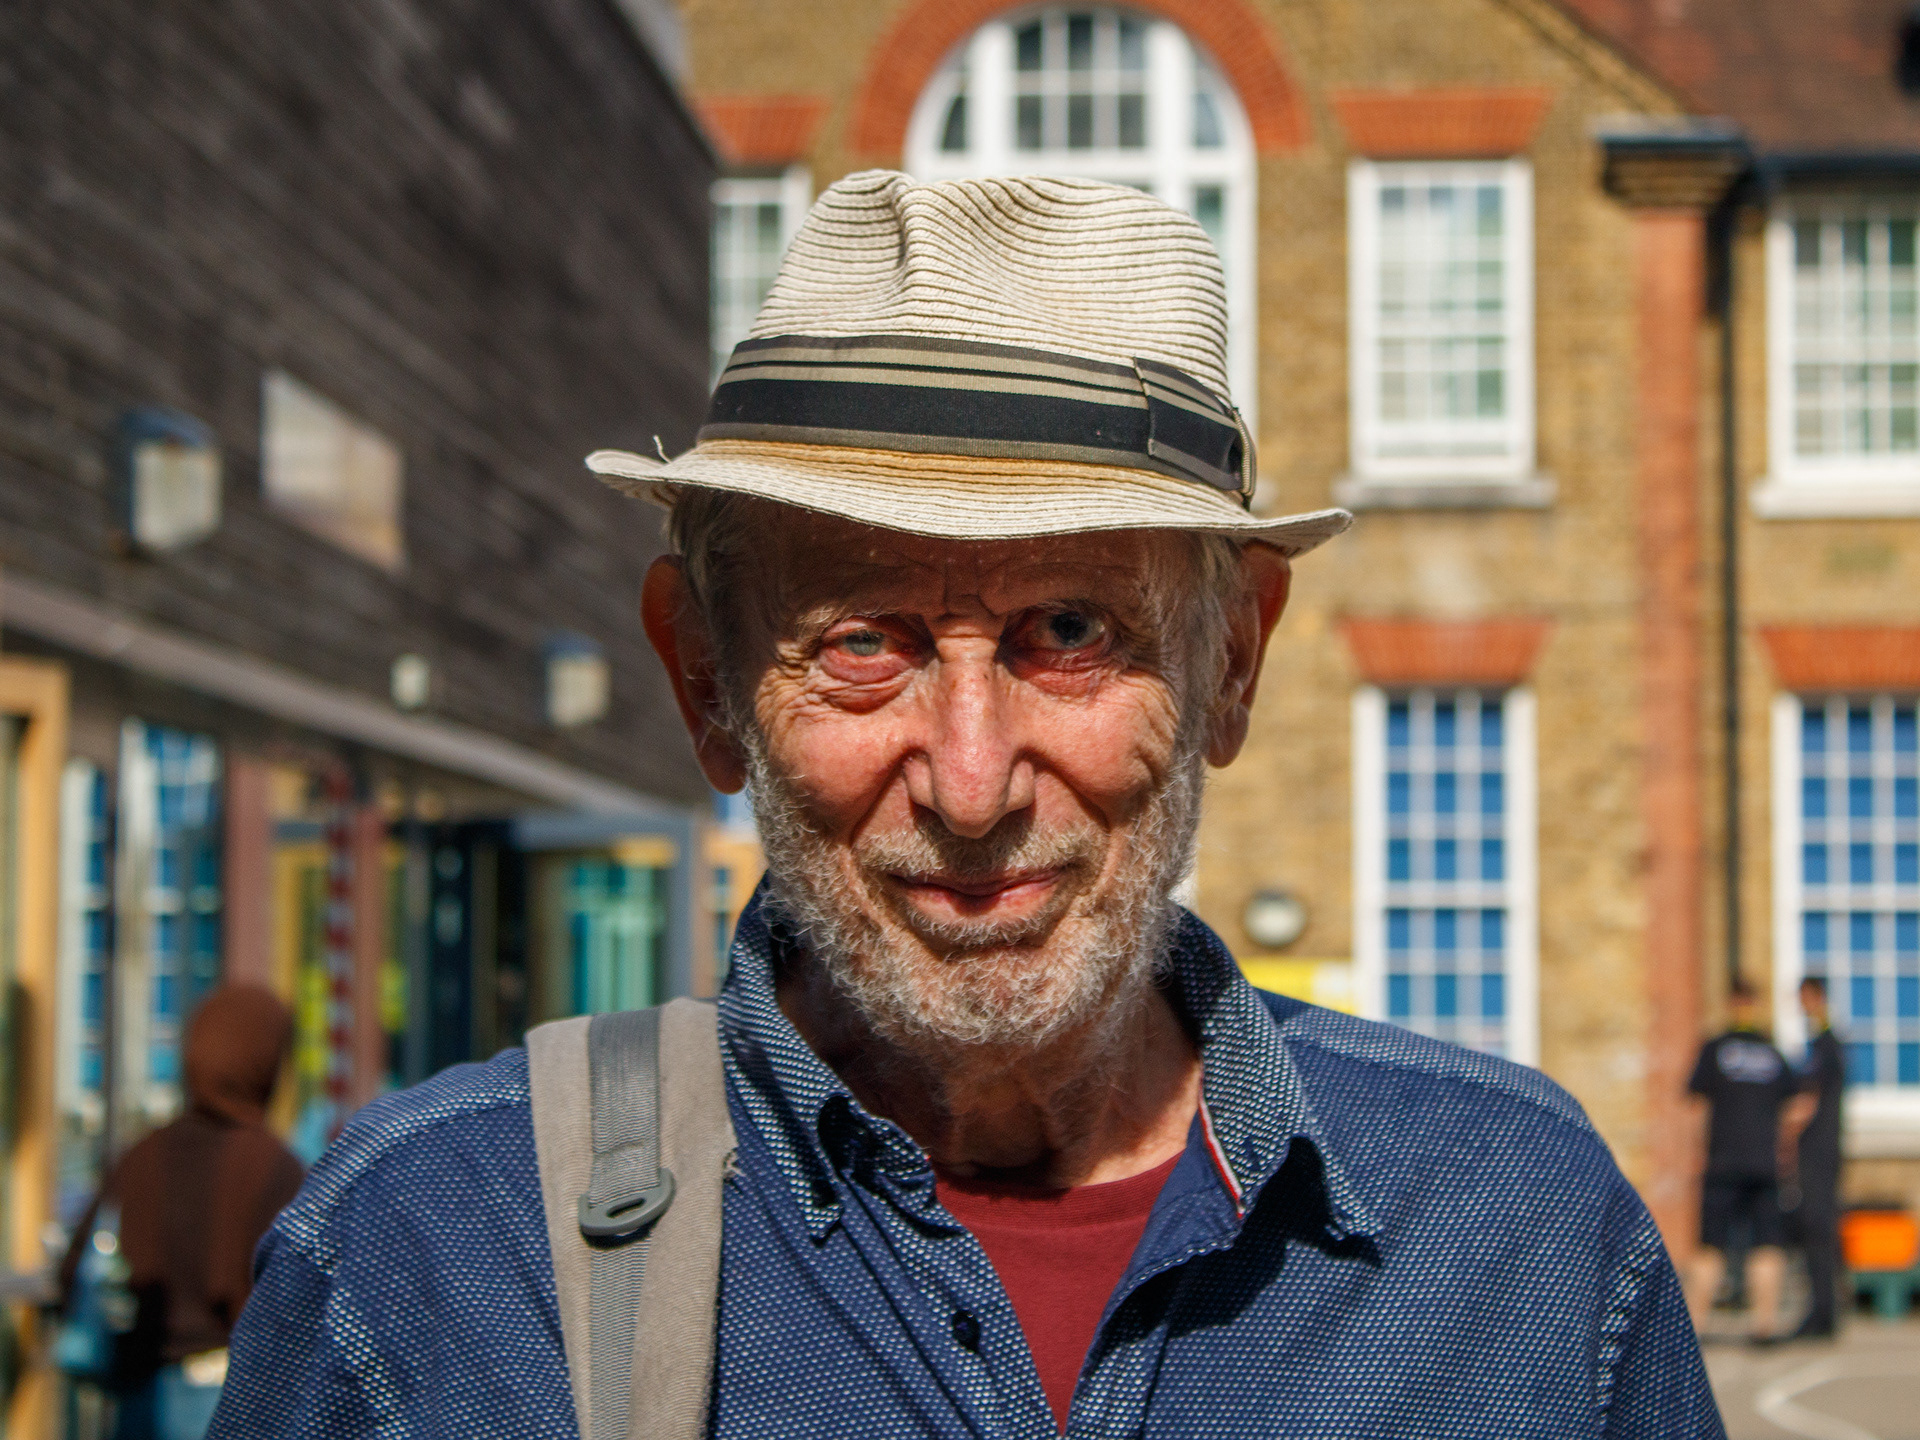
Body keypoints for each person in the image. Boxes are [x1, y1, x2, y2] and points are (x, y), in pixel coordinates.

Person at [211, 172, 1720, 1438]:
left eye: (1071, 630)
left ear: (1234, 663)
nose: (974, 782)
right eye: (862, 644)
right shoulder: (432, 1268)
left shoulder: (1521, 1238)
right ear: (706, 682)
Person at [62, 984, 305, 1440]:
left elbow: (75, 1268)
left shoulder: (141, 1156)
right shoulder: (277, 1167)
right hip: (231, 1400)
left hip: (138, 1401)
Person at [1684, 982, 1802, 1343]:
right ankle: (1763, 1327)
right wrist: (1784, 1151)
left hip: (1722, 1163)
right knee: (1766, 1244)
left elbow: (1696, 1106)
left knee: (1710, 1245)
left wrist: (1697, 1152)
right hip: (1764, 1163)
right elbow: (1795, 1107)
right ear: (1755, 1004)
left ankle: (1696, 1327)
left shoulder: (1715, 1048)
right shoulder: (1772, 1052)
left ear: (1730, 1003)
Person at [1783, 976, 1845, 1339]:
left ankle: (1823, 1314)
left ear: (1816, 997)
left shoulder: (1825, 1044)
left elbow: (1806, 1103)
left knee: (1818, 1228)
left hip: (1819, 1152)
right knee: (1818, 1229)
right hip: (1820, 1151)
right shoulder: (1819, 1043)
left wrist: (1783, 1137)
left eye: (1804, 998)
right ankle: (1823, 1310)